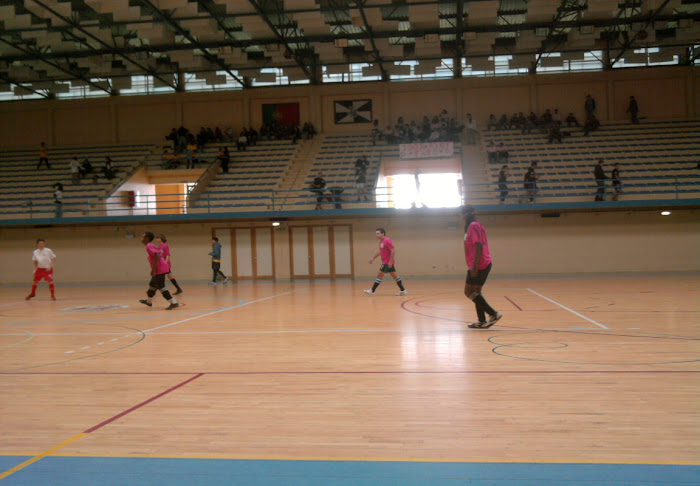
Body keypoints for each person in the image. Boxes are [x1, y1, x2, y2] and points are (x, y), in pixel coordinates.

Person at [462, 206, 502, 329]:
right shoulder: (476, 225)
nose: (462, 216)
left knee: (468, 292)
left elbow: (479, 246)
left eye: (464, 213)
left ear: (469, 213)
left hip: (479, 264)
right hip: (481, 263)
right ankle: (482, 321)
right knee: (476, 292)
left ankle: (493, 314)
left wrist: (475, 267)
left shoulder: (473, 225)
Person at [139, 232, 179, 310]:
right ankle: (149, 301)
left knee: (161, 286)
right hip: (161, 267)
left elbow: (157, 256)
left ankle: (173, 302)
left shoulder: (149, 246)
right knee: (152, 284)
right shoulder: (151, 245)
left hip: (160, 268)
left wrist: (153, 270)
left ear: (147, 238)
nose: (141, 239)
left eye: (143, 237)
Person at [363, 228, 407, 296]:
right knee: (395, 276)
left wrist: (390, 261)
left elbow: (393, 250)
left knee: (380, 275)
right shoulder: (381, 242)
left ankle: (372, 291)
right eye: (376, 234)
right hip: (386, 262)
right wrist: (373, 258)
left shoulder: (387, 240)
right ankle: (403, 290)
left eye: (378, 233)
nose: (376, 235)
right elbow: (381, 251)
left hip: (387, 262)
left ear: (383, 233)